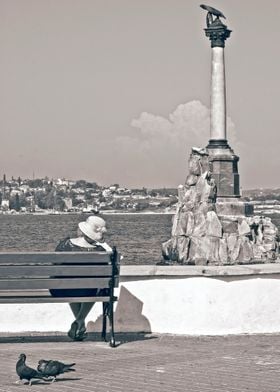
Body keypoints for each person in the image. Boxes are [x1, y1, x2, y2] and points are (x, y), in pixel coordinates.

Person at [50, 215, 112, 341]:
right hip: (88, 290)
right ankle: (79, 321)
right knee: (95, 287)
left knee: (71, 284)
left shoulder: (65, 244)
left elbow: (55, 266)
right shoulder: (100, 251)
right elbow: (104, 274)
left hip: (61, 289)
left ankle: (80, 326)